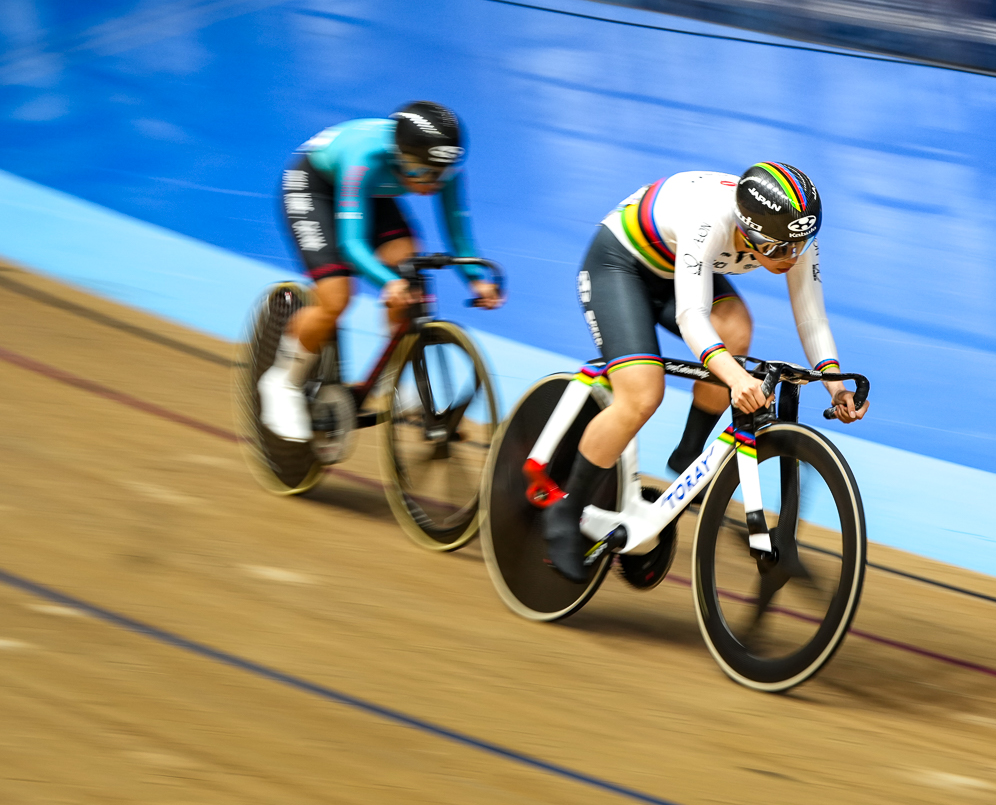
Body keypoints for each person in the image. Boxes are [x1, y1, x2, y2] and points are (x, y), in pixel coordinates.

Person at [540, 162, 864, 581]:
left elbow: (812, 319)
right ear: (747, 229)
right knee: (641, 394)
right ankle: (566, 510)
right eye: (778, 248)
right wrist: (736, 379)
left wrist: (835, 386)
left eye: (798, 246)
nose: (791, 257)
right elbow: (692, 316)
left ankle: (687, 454)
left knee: (736, 329)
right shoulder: (710, 218)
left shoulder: (790, 231)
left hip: (677, 268)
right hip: (619, 267)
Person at [259, 102, 501, 440]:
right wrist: (388, 282)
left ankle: (391, 382)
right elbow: (351, 245)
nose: (433, 183)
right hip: (315, 186)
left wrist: (477, 280)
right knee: (336, 297)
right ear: (401, 156)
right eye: (423, 172)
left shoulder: (441, 169)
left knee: (410, 273)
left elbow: (459, 238)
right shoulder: (367, 158)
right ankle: (281, 381)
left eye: (441, 172)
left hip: (372, 192)